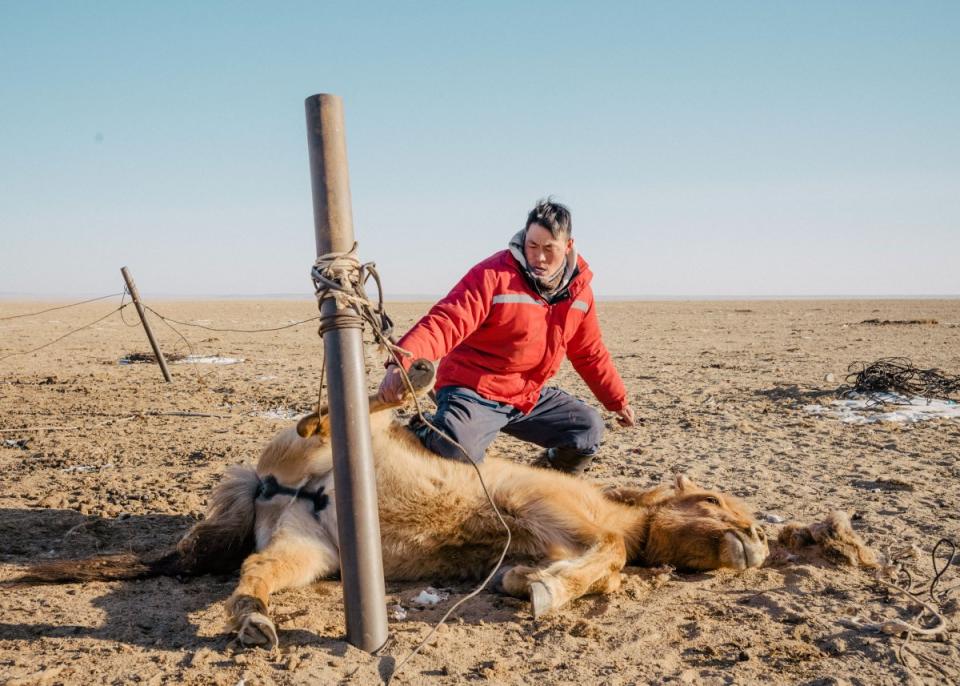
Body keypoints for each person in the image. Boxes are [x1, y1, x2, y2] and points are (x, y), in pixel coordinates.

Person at [378, 198, 635, 473]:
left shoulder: (579, 293)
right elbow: (446, 322)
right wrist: (402, 362)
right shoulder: (493, 276)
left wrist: (616, 400)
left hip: (526, 395)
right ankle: (426, 431)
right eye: (532, 245)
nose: (539, 257)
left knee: (587, 430)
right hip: (474, 390)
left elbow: (588, 352)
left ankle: (545, 480)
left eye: (550, 248)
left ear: (568, 246)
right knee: (457, 452)